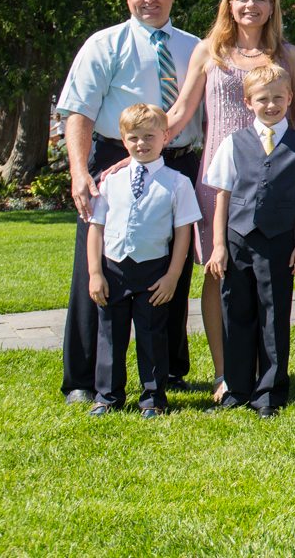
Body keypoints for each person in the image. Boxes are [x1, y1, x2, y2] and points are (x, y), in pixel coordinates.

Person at [57, 0, 202, 404]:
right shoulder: (104, 44)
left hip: (178, 162)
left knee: (168, 267)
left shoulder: (194, 46)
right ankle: (85, 378)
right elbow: (78, 111)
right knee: (98, 263)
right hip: (116, 156)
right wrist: (81, 172)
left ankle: (169, 368)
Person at [166, 0, 295, 403]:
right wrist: (136, 151)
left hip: (273, 178)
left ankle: (265, 369)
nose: (250, 6)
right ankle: (226, 371)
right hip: (222, 175)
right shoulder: (209, 52)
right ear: (228, 5)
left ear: (272, 7)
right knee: (220, 270)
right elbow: (179, 113)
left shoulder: (288, 55)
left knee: (266, 272)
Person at [203, 64, 295, 417]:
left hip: (278, 243)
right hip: (238, 239)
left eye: (278, 98)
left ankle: (269, 392)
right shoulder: (234, 143)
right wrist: (218, 245)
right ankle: (236, 388)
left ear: (290, 98)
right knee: (236, 313)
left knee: (274, 316)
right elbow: (222, 195)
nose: (271, 105)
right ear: (247, 102)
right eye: (262, 99)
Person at [83, 104, 200, 417]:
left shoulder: (178, 183)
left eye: (150, 136)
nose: (141, 143)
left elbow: (184, 235)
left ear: (165, 137)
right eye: (134, 137)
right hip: (113, 268)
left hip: (153, 270)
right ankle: (107, 397)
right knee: (110, 334)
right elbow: (96, 229)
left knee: (152, 335)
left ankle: (153, 398)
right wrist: (95, 273)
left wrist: (173, 276)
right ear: (123, 140)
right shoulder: (110, 181)